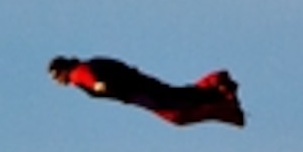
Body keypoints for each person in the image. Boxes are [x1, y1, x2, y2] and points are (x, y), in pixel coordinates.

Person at [48, 55, 246, 128]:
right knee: (178, 98)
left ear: (62, 71)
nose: (57, 82)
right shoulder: (92, 62)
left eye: (56, 77)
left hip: (135, 91)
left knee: (177, 113)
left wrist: (100, 84)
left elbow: (91, 79)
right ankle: (219, 88)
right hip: (137, 83)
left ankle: (224, 102)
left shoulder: (78, 73)